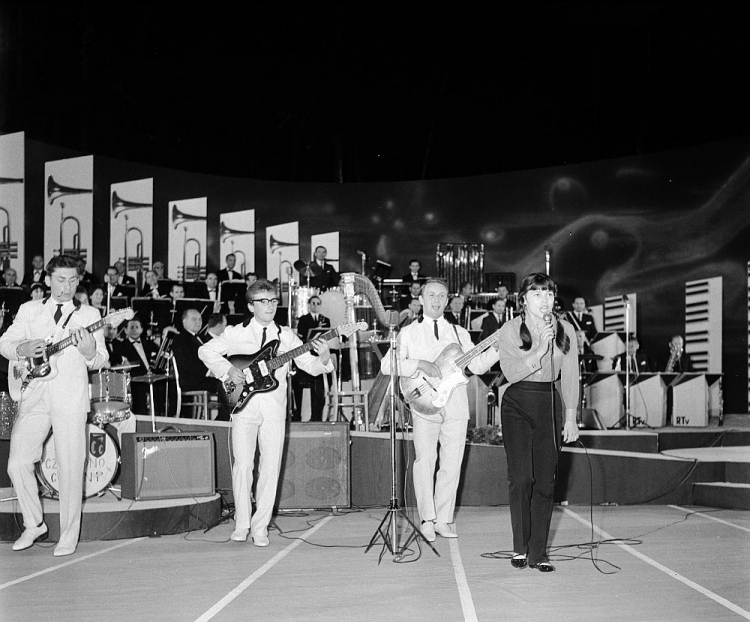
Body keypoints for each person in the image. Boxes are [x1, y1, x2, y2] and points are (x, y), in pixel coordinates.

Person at [198, 279, 334, 546]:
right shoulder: (235, 333)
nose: (270, 306)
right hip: (242, 407)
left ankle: (260, 527)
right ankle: (241, 524)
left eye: (273, 301)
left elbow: (311, 366)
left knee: (270, 467)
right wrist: (227, 370)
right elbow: (206, 350)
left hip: (273, 409)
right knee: (243, 467)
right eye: (263, 301)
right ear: (251, 305)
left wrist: (325, 357)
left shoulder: (287, 336)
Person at [0, 254, 108, 557]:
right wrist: (21, 348)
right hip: (34, 394)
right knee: (17, 462)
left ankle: (68, 535)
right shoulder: (29, 310)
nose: (66, 286)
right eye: (61, 279)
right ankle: (34, 524)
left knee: (71, 466)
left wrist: (89, 351)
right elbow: (4, 343)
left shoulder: (89, 314)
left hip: (70, 398)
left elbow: (101, 358)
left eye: (73, 280)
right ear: (48, 280)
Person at [381, 278, 499, 542]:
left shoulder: (459, 333)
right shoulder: (408, 333)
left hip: (456, 404)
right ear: (421, 299)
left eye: (441, 296)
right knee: (425, 462)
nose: (436, 300)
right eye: (431, 295)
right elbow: (387, 365)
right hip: (424, 405)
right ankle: (427, 519)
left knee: (452, 463)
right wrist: (420, 364)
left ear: (447, 301)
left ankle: (444, 519)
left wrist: (497, 350)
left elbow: (478, 366)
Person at [496, 272, 579, 573]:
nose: (544, 301)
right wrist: (540, 349)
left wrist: (570, 417)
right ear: (523, 300)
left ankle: (538, 552)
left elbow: (570, 375)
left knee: (546, 480)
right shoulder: (509, 330)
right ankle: (520, 547)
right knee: (521, 478)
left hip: (549, 402)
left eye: (548, 294)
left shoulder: (566, 330)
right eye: (537, 294)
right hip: (518, 402)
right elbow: (511, 371)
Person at [171, 308, 224, 419]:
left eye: (200, 319)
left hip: (201, 378)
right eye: (194, 319)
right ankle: (222, 420)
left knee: (228, 383)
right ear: (184, 322)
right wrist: (210, 372)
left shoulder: (200, 338)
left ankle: (224, 419)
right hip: (191, 380)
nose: (198, 322)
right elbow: (187, 364)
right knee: (224, 385)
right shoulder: (180, 339)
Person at [291, 295, 331, 422]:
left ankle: (317, 417)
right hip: (306, 354)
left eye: (317, 303)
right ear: (309, 305)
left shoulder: (326, 319)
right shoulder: (303, 319)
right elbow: (301, 338)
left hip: (318, 355)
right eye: (313, 303)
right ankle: (298, 417)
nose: (315, 305)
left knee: (322, 381)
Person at [116, 317, 160, 415]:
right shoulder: (121, 347)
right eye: (131, 327)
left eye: (137, 327)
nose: (134, 330)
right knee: (139, 394)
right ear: (126, 331)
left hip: (153, 376)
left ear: (142, 329)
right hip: (135, 379)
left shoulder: (150, 344)